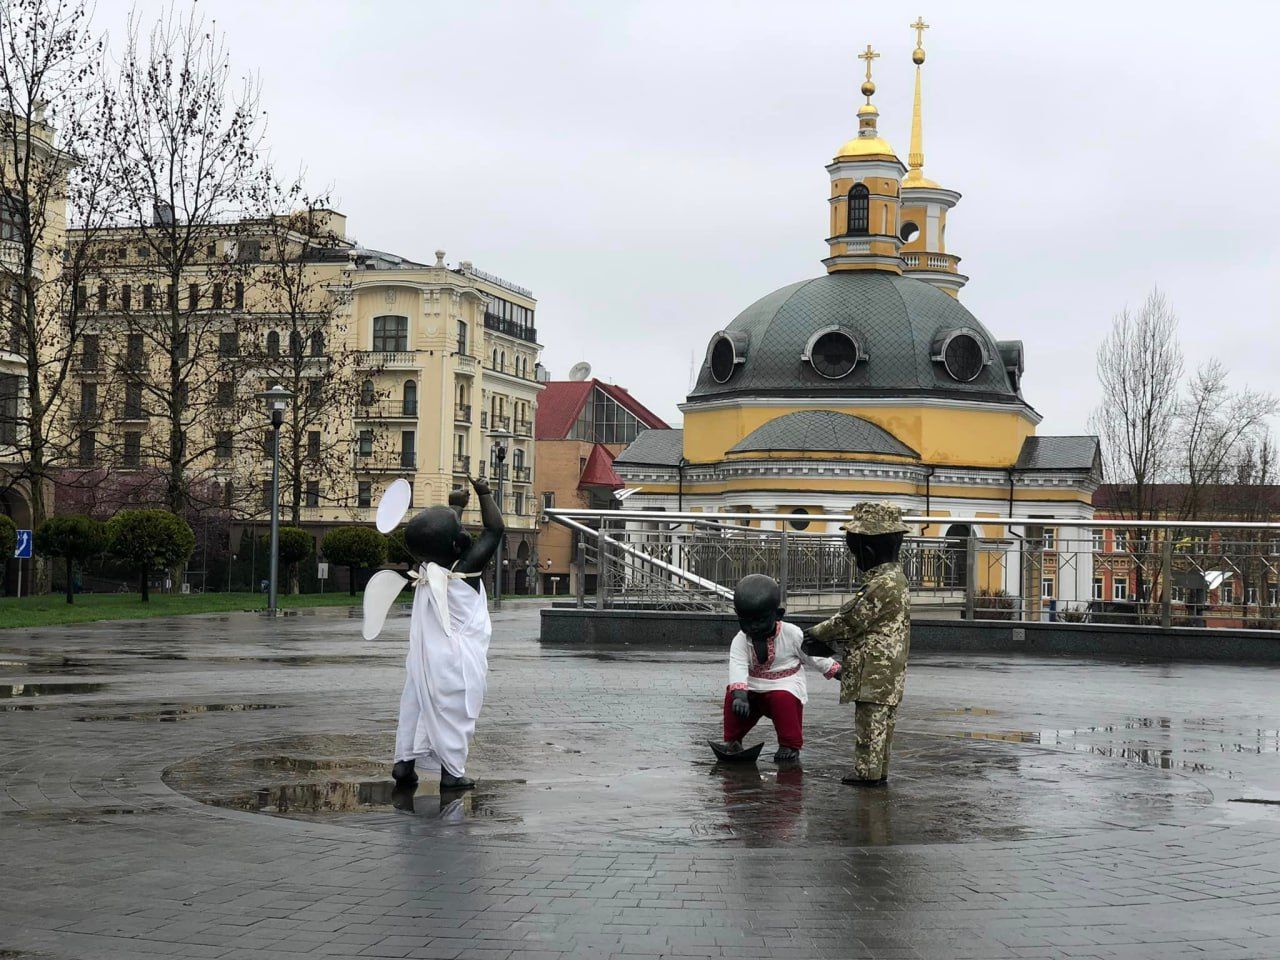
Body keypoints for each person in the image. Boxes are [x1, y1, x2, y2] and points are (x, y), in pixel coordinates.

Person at [391, 475, 503, 792]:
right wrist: (484, 493)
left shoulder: (427, 568)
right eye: (461, 530)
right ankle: (451, 773)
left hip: (424, 658)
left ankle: (404, 765)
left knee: (416, 707)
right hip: (456, 661)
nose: (466, 532)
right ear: (456, 544)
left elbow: (444, 537)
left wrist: (455, 507)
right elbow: (495, 530)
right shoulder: (465, 569)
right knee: (453, 715)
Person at [801, 502, 910, 786]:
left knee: (869, 725)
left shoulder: (881, 584)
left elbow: (850, 619)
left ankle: (867, 773)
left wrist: (814, 633)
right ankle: (879, 770)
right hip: (889, 669)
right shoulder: (895, 578)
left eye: (856, 552)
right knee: (884, 724)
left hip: (873, 668)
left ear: (868, 551)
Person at [710, 573, 841, 763]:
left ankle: (789, 745)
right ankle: (733, 741)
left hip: (784, 683)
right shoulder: (740, 639)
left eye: (760, 620)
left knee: (784, 699)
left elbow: (810, 655)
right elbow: (737, 665)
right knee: (733, 697)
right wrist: (740, 695)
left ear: (778, 615)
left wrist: (835, 670)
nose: (753, 627)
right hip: (753, 685)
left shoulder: (792, 633)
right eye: (746, 621)